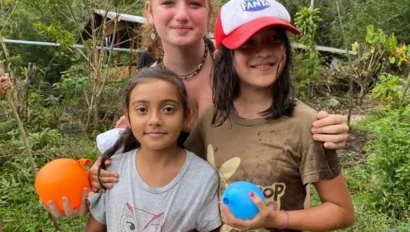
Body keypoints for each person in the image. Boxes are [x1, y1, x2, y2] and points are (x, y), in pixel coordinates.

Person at [43, 0, 349, 218]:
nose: (181, 14)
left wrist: (329, 127)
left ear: (208, 12)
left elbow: (279, 120)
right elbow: (140, 153)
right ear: (149, 10)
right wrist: (104, 169)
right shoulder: (147, 81)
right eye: (168, 3)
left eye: (194, 3)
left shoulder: (243, 71)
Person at [184, 0, 354, 231]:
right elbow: (179, 175)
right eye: (247, 43)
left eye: (274, 39)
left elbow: (341, 211)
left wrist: (278, 219)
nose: (263, 51)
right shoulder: (211, 119)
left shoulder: (307, 124)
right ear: (223, 55)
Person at [85, 66, 221, 231]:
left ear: (185, 114)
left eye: (168, 109)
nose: (155, 120)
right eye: (142, 109)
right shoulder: (111, 172)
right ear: (128, 116)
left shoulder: (203, 178)